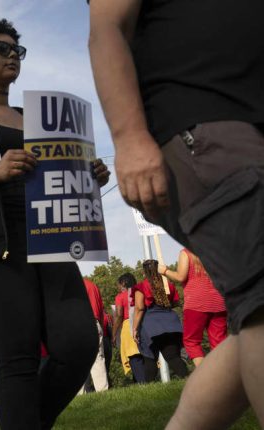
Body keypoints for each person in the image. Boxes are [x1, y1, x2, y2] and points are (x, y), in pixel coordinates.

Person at [89, 0, 264, 427]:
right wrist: (129, 137)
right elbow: (107, 27)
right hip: (204, 130)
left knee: (252, 327)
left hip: (242, 126)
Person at [0, 17, 110, 429]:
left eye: (18, 50)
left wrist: (87, 175)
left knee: (80, 343)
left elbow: (59, 180)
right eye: (2, 48)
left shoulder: (41, 119)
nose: (13, 56)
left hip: (50, 243)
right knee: (18, 358)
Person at [159, 249, 227, 367]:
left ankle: (206, 373)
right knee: (220, 343)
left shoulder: (186, 252)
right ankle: (226, 373)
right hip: (218, 302)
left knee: (191, 342)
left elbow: (180, 277)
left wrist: (165, 271)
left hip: (196, 303)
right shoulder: (216, 251)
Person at [132, 261, 188, 382]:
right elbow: (175, 302)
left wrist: (135, 328)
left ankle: (148, 388)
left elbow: (139, 308)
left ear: (144, 272)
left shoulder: (142, 286)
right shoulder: (168, 285)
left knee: (150, 359)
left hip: (152, 326)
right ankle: (189, 380)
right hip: (171, 323)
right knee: (173, 357)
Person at [112, 273, 145, 383]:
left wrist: (114, 333)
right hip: (141, 323)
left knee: (133, 356)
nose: (118, 287)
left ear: (123, 283)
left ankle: (142, 383)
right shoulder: (139, 292)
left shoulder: (120, 297)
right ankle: (141, 382)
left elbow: (119, 315)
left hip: (127, 326)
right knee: (142, 355)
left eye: (118, 284)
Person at [79, 279, 109, 393]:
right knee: (98, 358)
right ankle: (103, 391)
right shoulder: (93, 286)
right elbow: (101, 310)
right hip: (95, 323)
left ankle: (80, 394)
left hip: (79, 323)